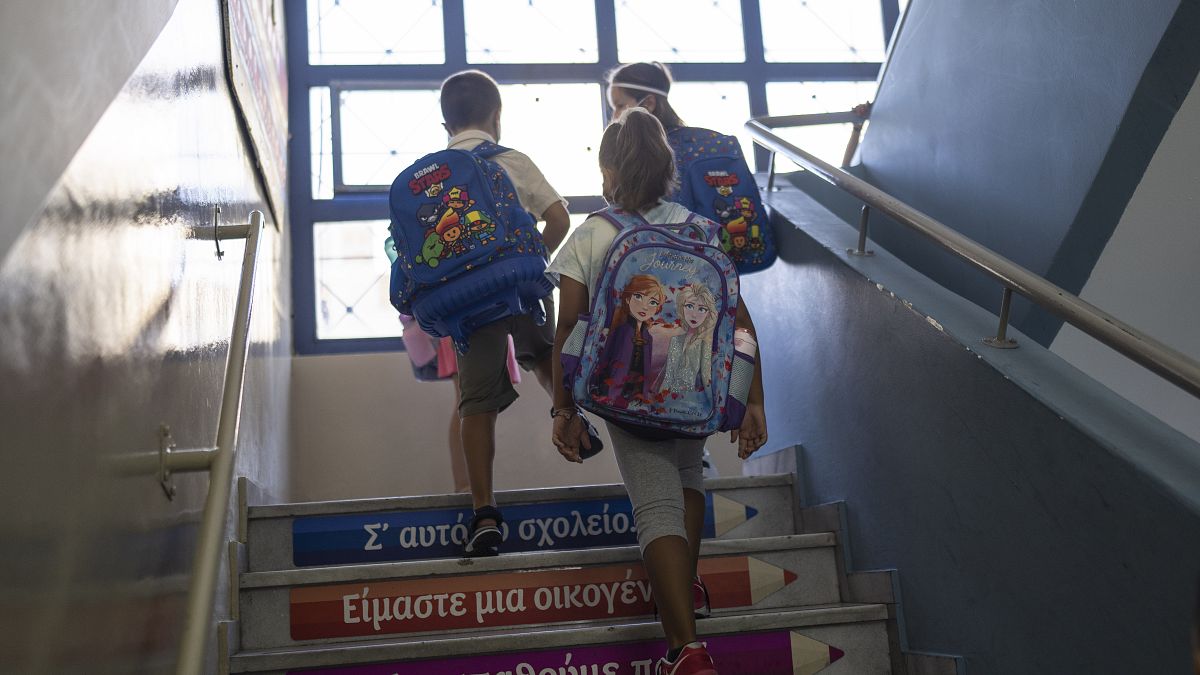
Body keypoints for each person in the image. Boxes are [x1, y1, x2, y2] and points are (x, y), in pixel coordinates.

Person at [547, 107, 768, 675]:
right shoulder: (700, 229)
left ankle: (686, 649)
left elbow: (568, 326)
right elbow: (738, 325)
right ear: (669, 168)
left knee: (655, 505)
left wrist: (564, 407)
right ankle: (683, 592)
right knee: (688, 477)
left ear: (608, 171)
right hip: (693, 389)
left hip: (626, 393)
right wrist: (753, 401)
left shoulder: (593, 232)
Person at [434, 69, 587, 557]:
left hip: (469, 306)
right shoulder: (512, 160)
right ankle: (568, 416)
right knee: (543, 355)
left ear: (445, 123)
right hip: (523, 291)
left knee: (474, 402)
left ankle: (484, 511)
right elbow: (560, 216)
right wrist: (530, 265)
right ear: (496, 116)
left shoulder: (434, 173)